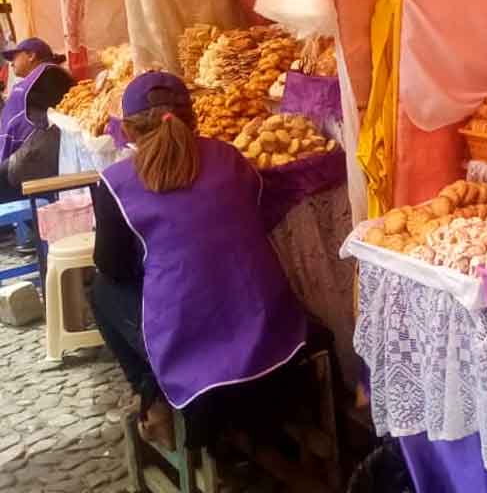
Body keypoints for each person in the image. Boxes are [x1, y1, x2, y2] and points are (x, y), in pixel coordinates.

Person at [88, 71, 307, 448]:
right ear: (193, 116)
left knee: (99, 290)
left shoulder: (115, 182)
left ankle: (151, 395)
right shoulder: (228, 156)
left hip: (194, 355)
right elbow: (255, 214)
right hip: (272, 333)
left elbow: (113, 266)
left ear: (128, 130)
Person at [0, 38, 74, 251]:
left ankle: (38, 232)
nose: (11, 64)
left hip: (37, 158)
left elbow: (14, 129)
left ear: (31, 55)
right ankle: (36, 230)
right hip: (42, 154)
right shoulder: (51, 74)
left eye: (15, 56)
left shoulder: (42, 78)